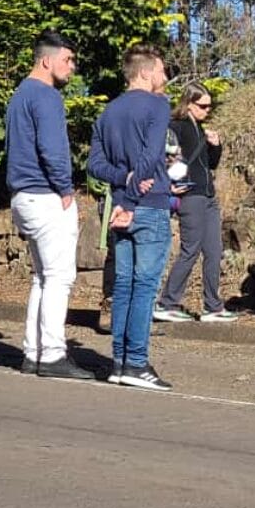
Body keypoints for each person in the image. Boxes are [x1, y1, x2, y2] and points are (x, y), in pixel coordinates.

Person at [5, 29, 93, 379]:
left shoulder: (19, 95)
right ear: (47, 59)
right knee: (58, 277)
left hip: (22, 197)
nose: (72, 67)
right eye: (67, 60)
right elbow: (53, 149)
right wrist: (66, 188)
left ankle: (33, 351)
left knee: (42, 278)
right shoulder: (46, 96)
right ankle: (53, 354)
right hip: (45, 195)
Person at [88, 44, 175, 391]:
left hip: (121, 205)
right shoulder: (157, 104)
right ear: (144, 72)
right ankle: (136, 362)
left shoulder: (107, 112)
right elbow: (152, 154)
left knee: (123, 285)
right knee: (144, 286)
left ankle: (120, 362)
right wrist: (135, 195)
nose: (165, 77)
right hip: (148, 205)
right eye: (161, 71)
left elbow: (94, 164)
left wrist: (123, 189)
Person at [154, 82, 237, 323]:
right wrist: (169, 185)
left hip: (208, 194)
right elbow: (166, 159)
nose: (207, 110)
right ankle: (166, 302)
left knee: (214, 250)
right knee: (191, 249)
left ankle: (213, 306)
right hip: (190, 195)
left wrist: (216, 145)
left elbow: (210, 164)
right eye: (202, 106)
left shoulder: (200, 129)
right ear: (189, 103)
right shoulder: (175, 127)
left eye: (210, 106)